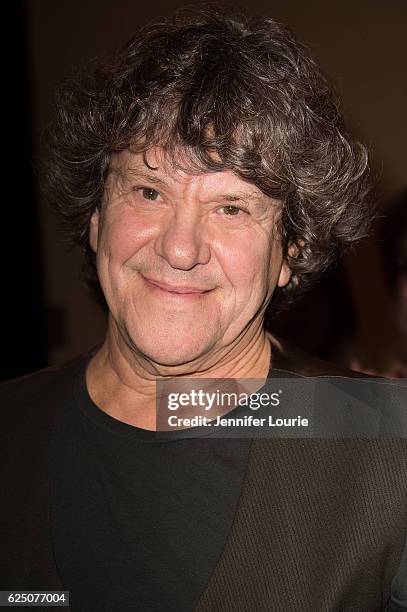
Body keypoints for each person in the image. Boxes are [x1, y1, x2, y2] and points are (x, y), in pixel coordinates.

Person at [1, 8, 406, 611]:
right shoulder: (11, 425)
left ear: (291, 251)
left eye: (233, 207)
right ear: (95, 217)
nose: (179, 247)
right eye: (147, 190)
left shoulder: (385, 443)